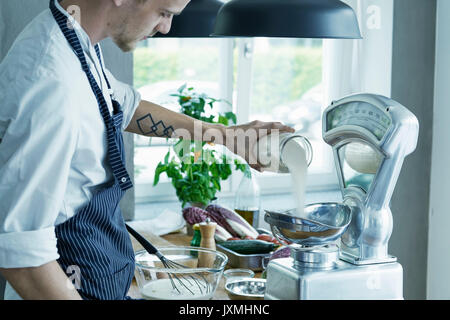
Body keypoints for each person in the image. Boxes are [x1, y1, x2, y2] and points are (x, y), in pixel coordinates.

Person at [0, 0, 294, 300]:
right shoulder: (50, 82)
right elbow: (24, 257)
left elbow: (125, 106)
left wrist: (225, 136)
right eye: (164, 13)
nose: (165, 28)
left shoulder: (77, 44)